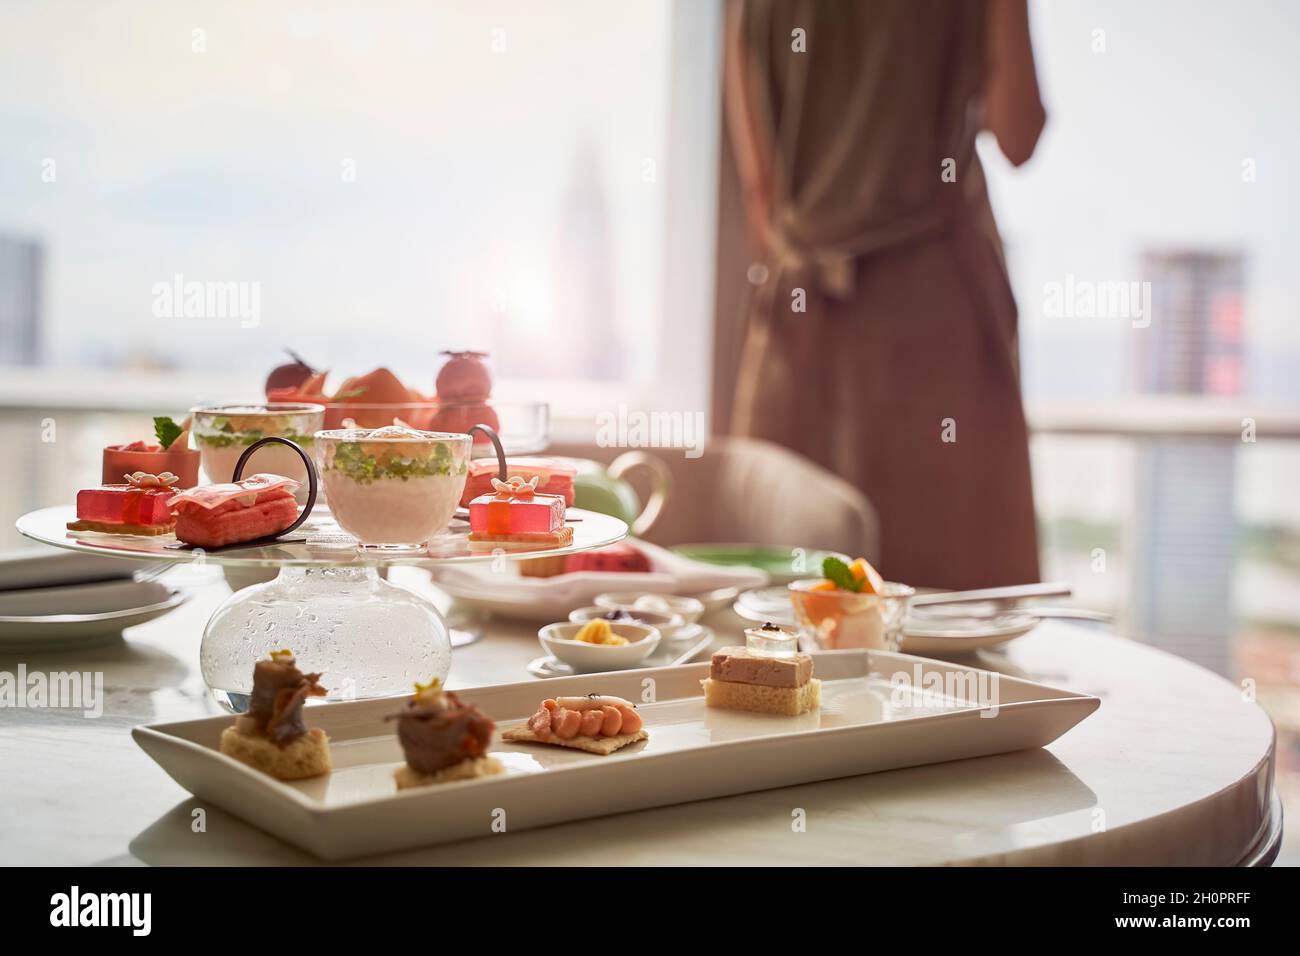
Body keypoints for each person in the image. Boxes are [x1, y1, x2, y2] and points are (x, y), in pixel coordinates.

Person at [726, 0, 1046, 589]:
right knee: (945, 629)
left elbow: (761, 193)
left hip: (798, 315)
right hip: (929, 311)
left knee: (787, 613)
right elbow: (1019, 133)